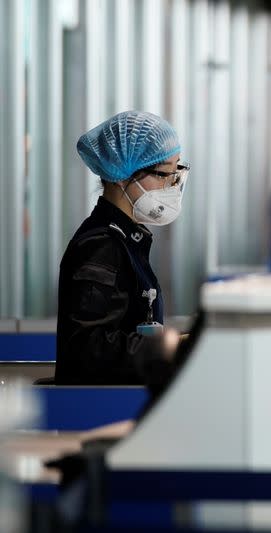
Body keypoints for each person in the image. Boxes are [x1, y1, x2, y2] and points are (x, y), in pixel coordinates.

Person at [56, 111, 186, 385]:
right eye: (164, 174)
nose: (171, 186)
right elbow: (87, 350)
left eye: (176, 173)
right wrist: (167, 348)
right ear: (121, 174)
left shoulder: (127, 239)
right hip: (102, 409)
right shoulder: (100, 247)